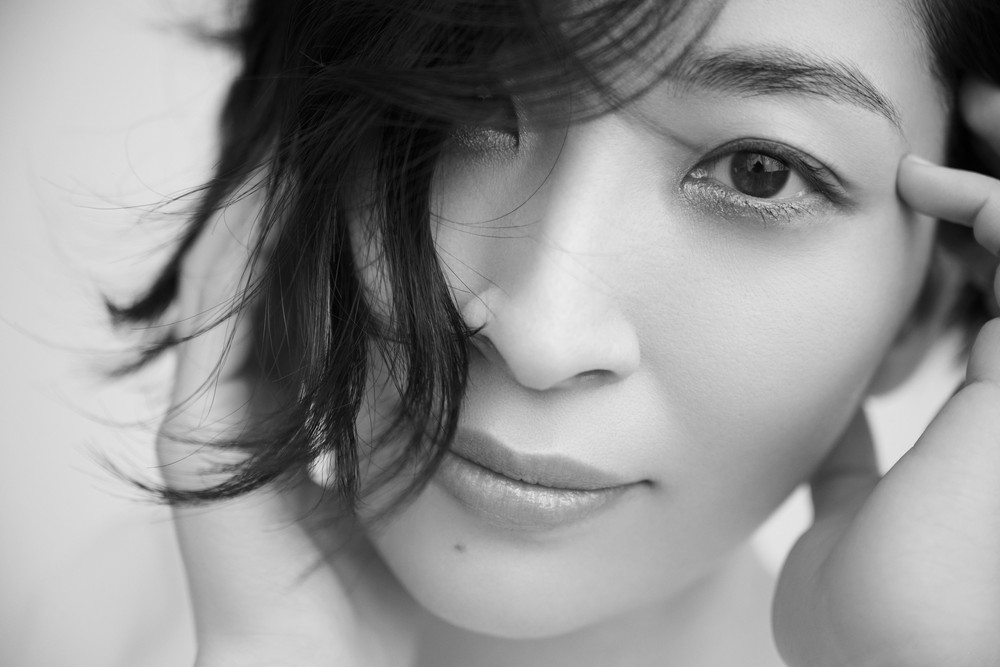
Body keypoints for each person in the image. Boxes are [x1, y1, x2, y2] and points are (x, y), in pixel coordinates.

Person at [112, 0, 1000, 664]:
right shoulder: (85, 617)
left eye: (758, 172)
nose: (541, 337)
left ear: (925, 303)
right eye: (458, 105)